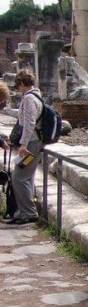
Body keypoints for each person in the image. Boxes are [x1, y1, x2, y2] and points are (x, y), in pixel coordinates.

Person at [2, 70, 42, 225]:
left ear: (21, 84)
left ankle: (29, 213)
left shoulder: (29, 99)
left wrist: (23, 145)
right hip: (32, 143)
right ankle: (21, 212)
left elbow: (29, 124)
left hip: (31, 144)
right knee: (26, 176)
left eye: (18, 86)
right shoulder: (35, 96)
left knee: (19, 177)